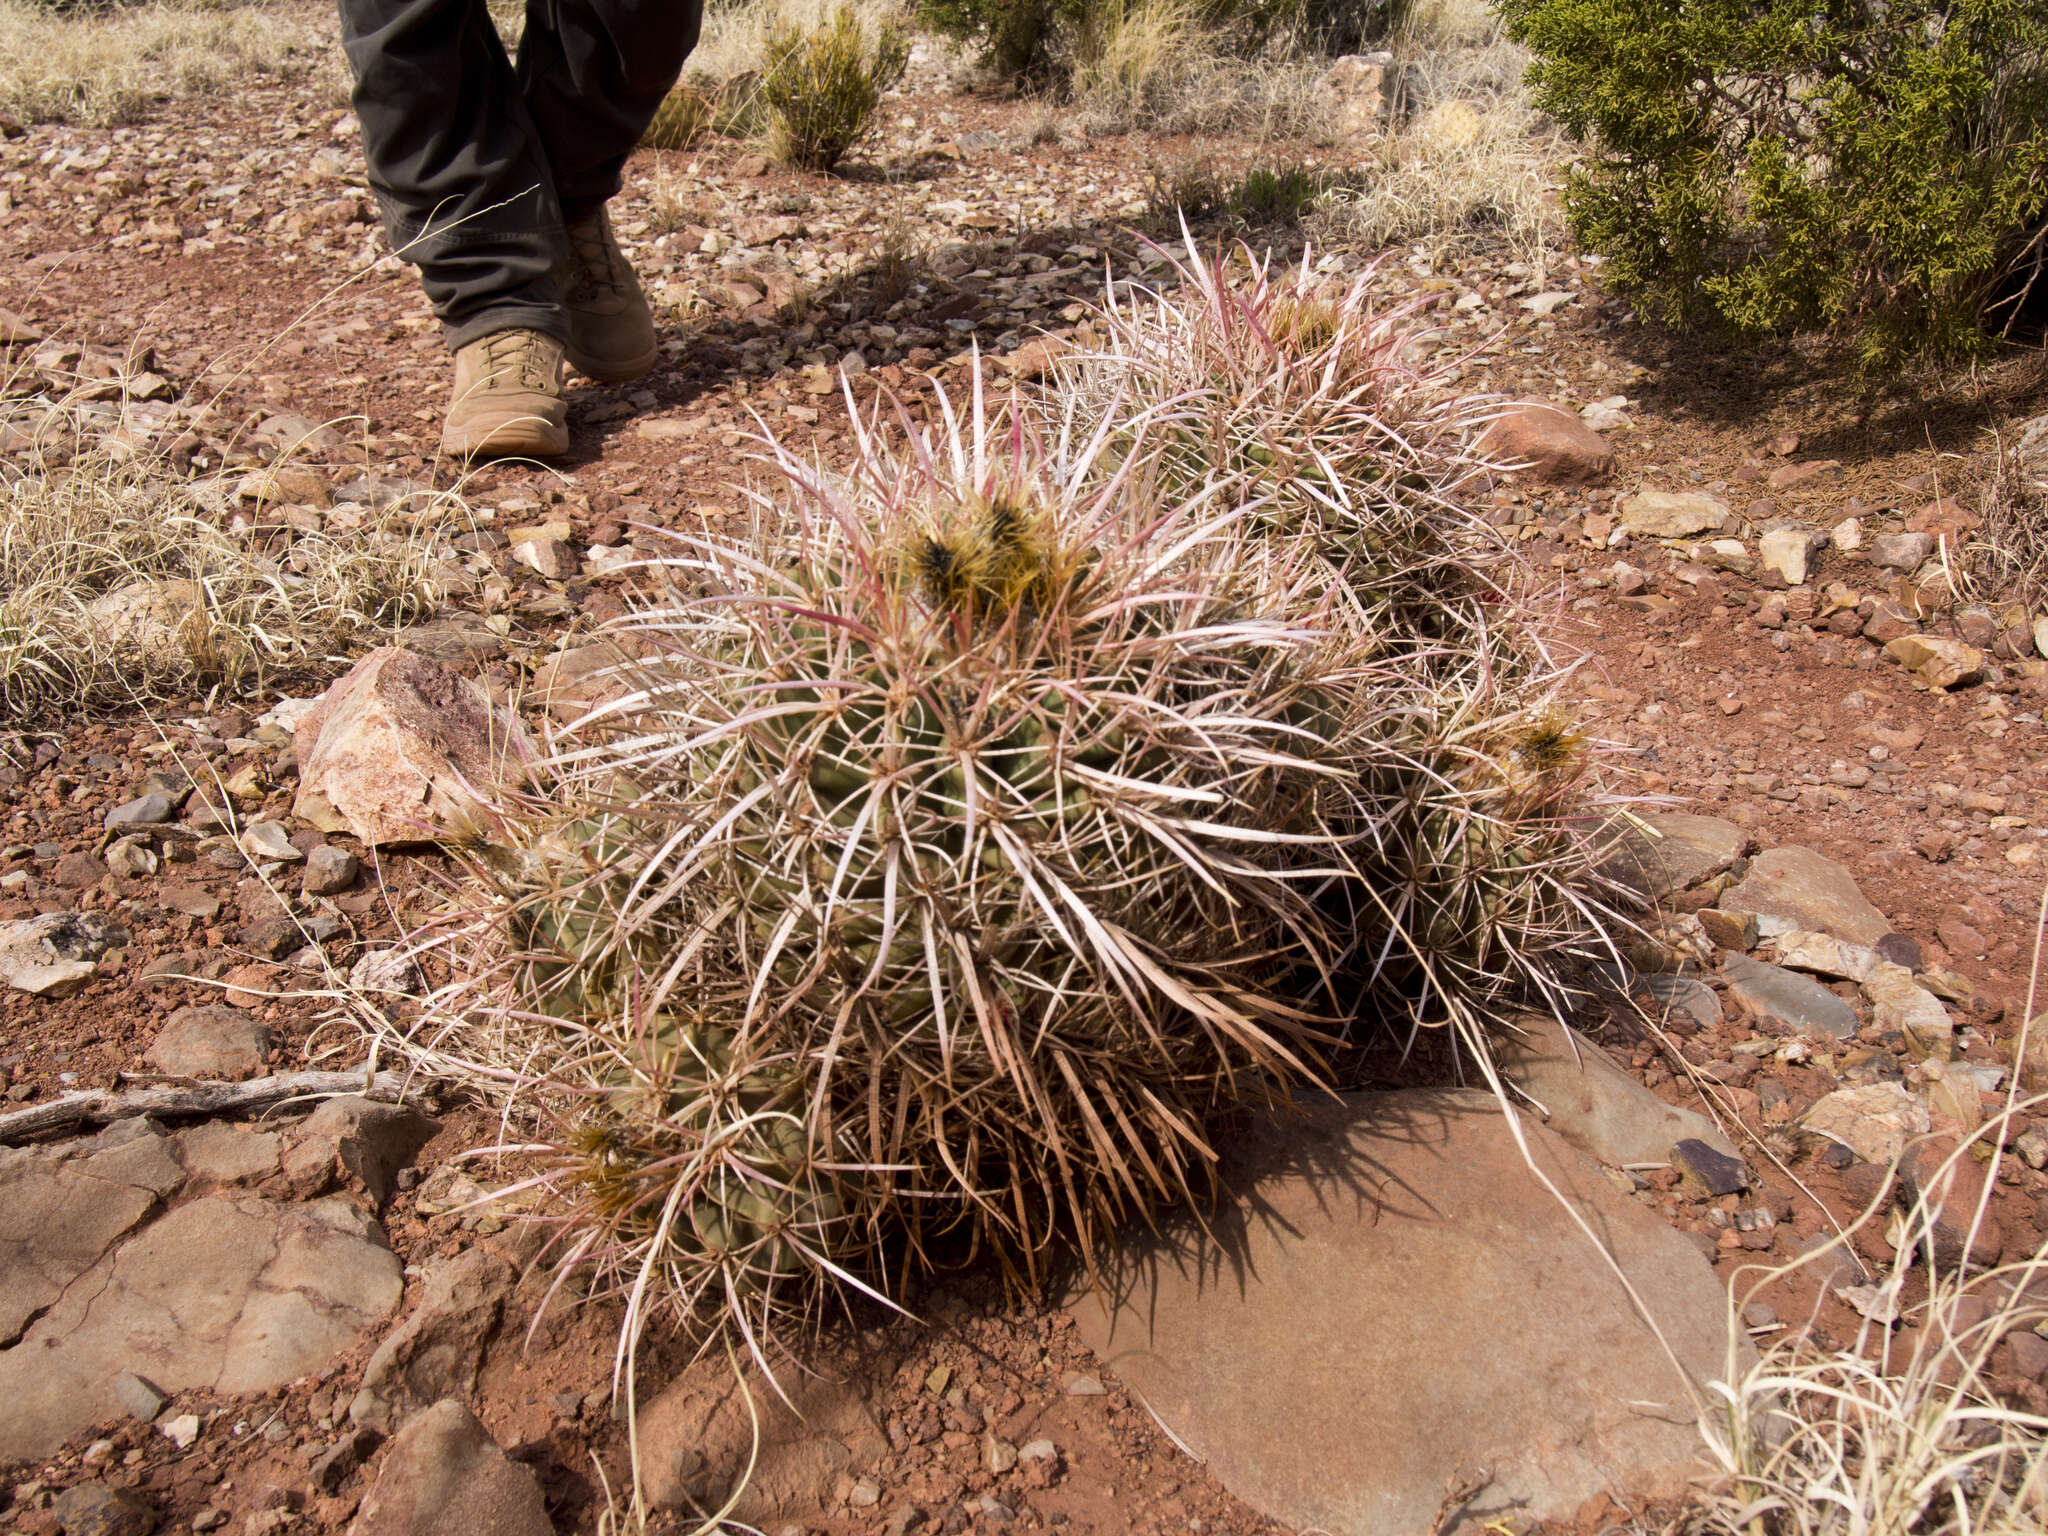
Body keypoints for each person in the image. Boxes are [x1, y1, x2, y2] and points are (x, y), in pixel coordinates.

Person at [338, 0, 704, 459]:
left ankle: (565, 205)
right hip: (483, 263)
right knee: (409, 24)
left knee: (642, 18)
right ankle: (494, 295)